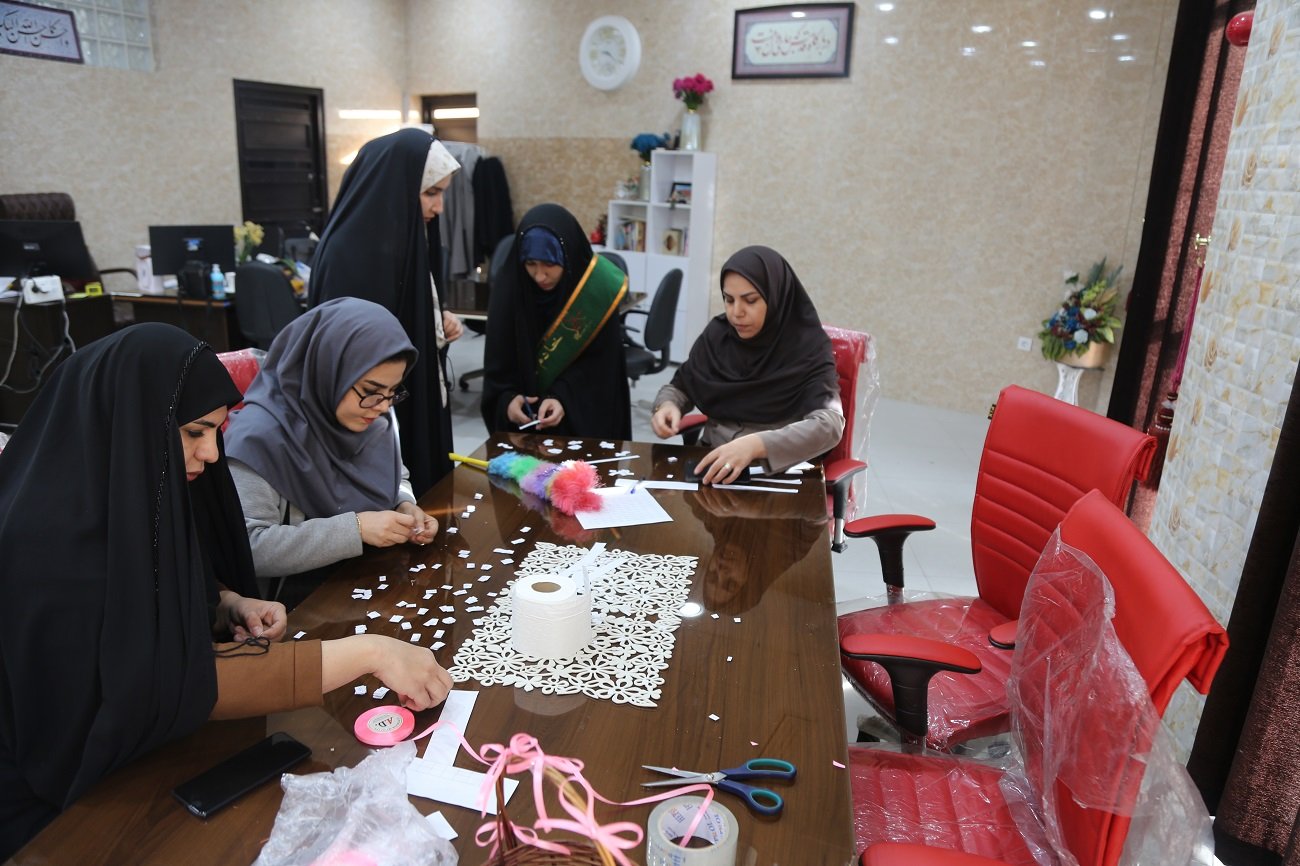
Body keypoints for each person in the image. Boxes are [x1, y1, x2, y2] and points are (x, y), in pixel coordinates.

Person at [0, 324, 452, 859]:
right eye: (195, 432)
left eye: (216, 431)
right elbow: (158, 680)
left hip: (148, 758)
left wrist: (222, 601)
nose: (212, 453)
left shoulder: (122, 486)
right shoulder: (44, 544)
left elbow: (143, 584)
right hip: (63, 811)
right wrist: (367, 652)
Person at [223, 298, 439, 602]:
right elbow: (250, 547)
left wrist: (403, 504)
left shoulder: (369, 418)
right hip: (294, 606)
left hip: (365, 580)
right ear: (326, 371)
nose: (382, 407)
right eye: (371, 392)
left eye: (393, 392)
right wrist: (355, 530)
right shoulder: (258, 439)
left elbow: (395, 474)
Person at [308, 127, 464, 495]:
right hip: (371, 409)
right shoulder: (350, 253)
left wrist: (437, 321)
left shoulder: (406, 236)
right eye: (431, 193)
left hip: (411, 392)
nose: (439, 208)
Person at [651, 245, 844, 484]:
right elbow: (681, 386)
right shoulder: (718, 335)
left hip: (773, 475)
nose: (736, 313)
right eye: (728, 300)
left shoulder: (807, 347)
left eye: (750, 301)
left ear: (776, 297)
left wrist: (757, 445)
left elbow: (829, 425)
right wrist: (668, 405)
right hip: (711, 466)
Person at [480, 203, 631, 438]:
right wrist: (507, 401)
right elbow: (498, 372)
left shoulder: (597, 291)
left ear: (568, 257)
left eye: (549, 264)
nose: (539, 276)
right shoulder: (510, 290)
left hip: (581, 427)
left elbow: (603, 373)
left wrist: (562, 398)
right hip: (524, 432)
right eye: (530, 264)